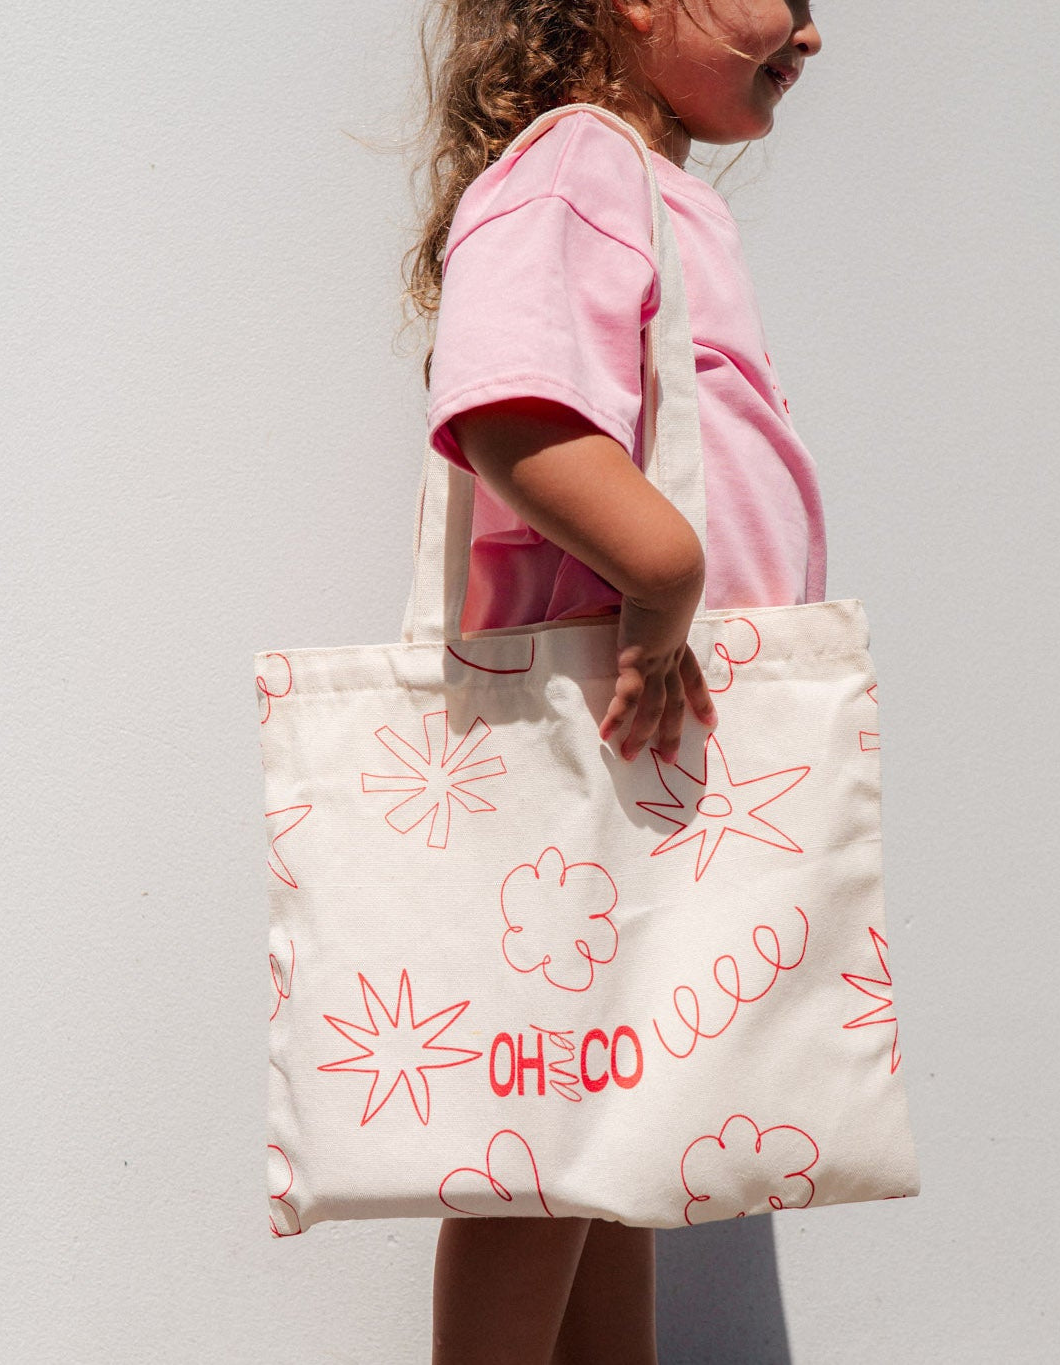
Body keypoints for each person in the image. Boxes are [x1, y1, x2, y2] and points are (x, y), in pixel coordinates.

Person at [401, 2, 824, 1360]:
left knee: (616, 1126)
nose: (810, 36)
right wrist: (663, 582)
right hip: (594, 737)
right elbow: (513, 411)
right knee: (548, 1133)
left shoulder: (641, 189)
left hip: (645, 745)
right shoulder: (576, 163)